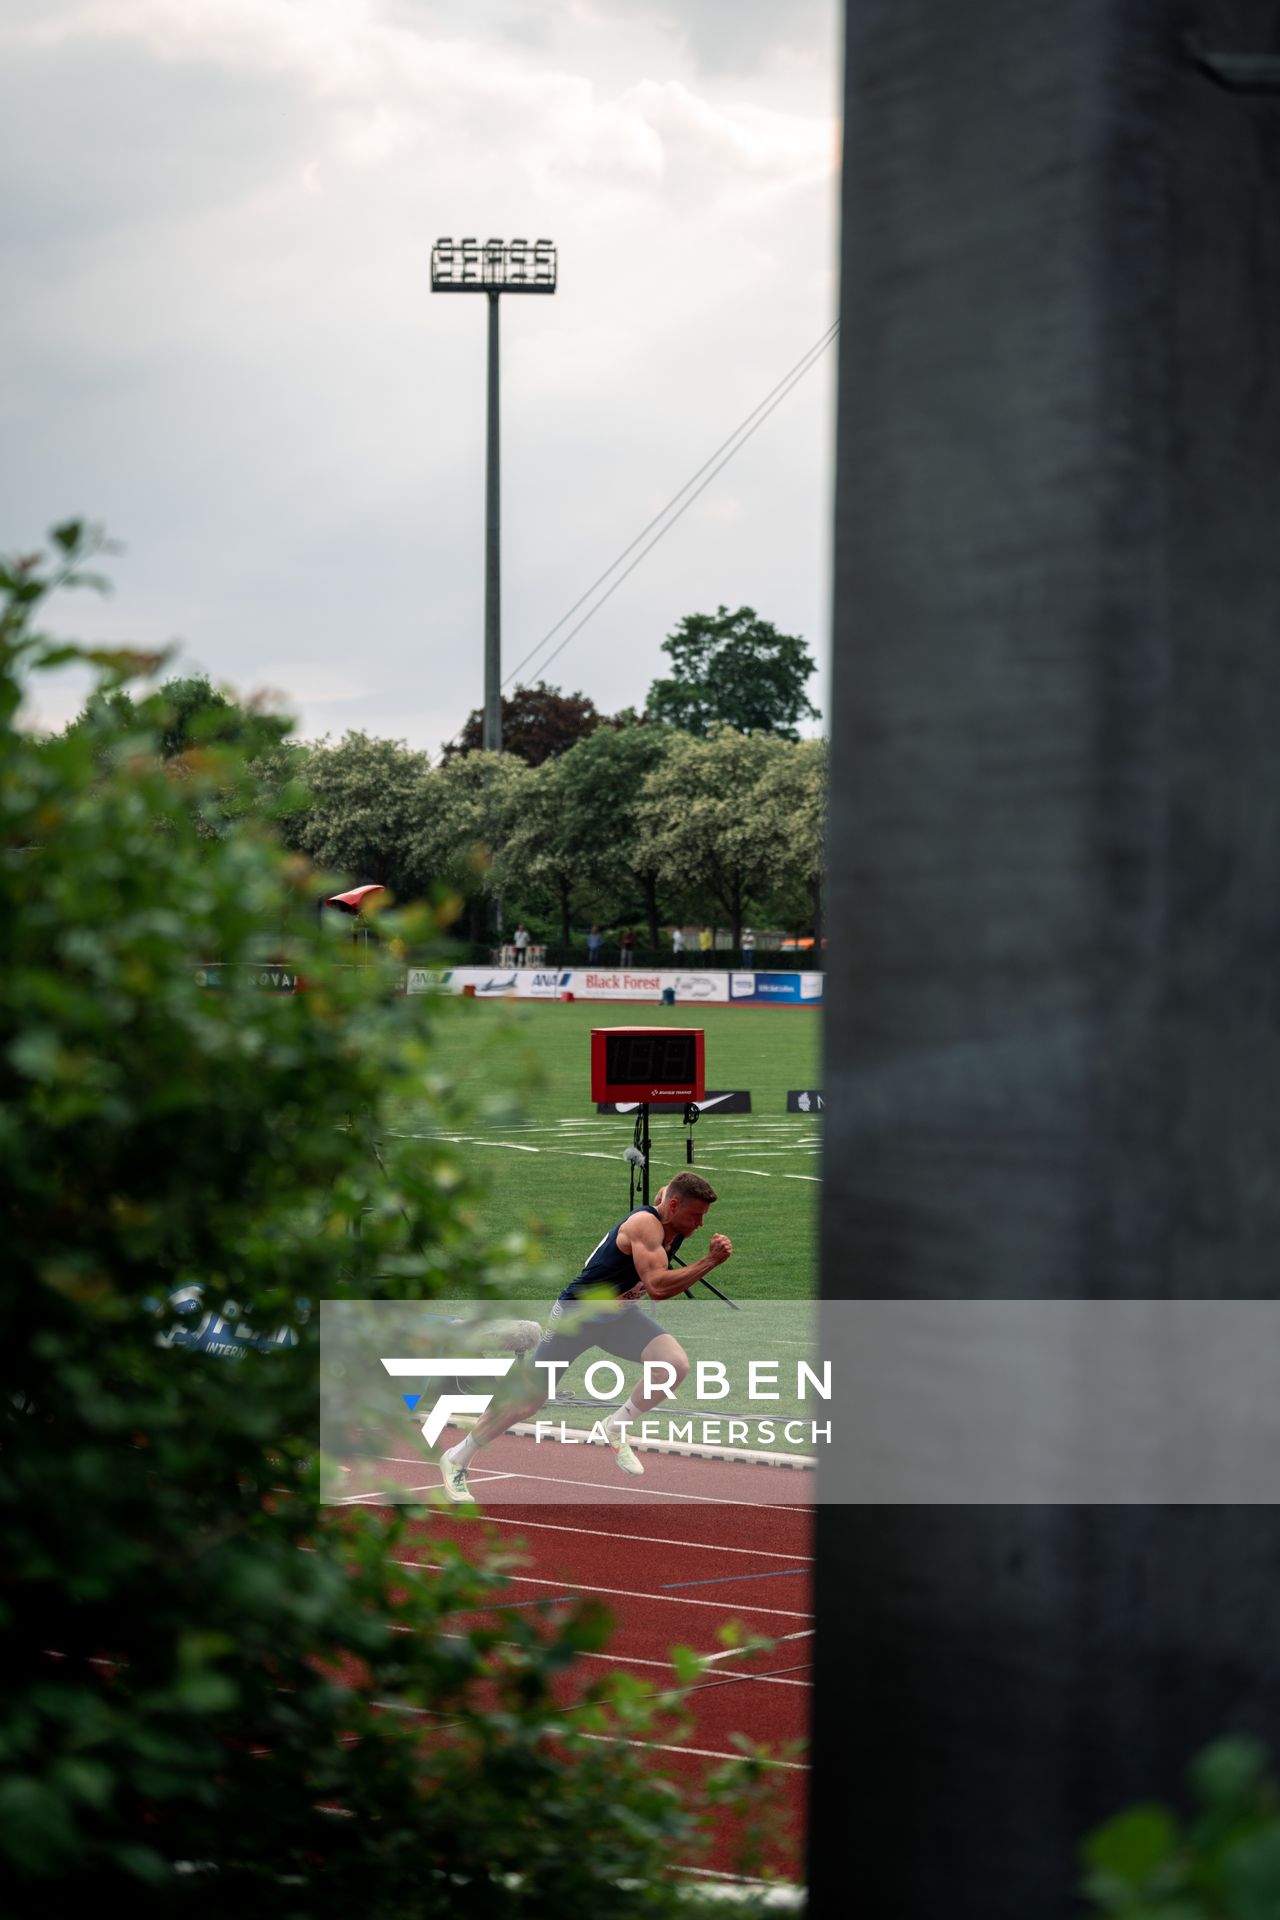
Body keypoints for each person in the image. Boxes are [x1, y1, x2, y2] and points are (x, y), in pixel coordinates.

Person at [439, 1172, 732, 1502]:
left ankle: (616, 1425)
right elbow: (658, 1287)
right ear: (674, 1206)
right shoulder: (645, 1226)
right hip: (577, 1317)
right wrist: (709, 1260)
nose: (701, 1225)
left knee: (673, 1365)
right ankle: (456, 1458)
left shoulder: (671, 1214)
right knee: (526, 1403)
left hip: (618, 1317)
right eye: (696, 1216)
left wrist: (677, 1200)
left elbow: (667, 1190)